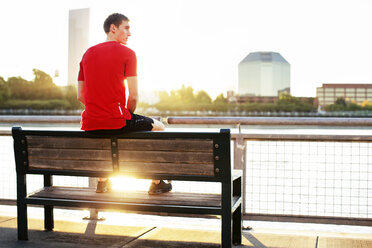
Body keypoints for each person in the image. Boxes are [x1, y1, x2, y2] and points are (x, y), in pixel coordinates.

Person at [77, 13, 171, 195]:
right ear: (113, 28)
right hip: (117, 119)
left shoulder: (87, 54)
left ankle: (103, 182)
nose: (130, 33)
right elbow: (134, 96)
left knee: (106, 135)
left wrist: (99, 109)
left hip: (90, 123)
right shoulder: (128, 53)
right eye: (126, 28)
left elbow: (80, 95)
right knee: (159, 127)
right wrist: (126, 114)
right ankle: (157, 182)